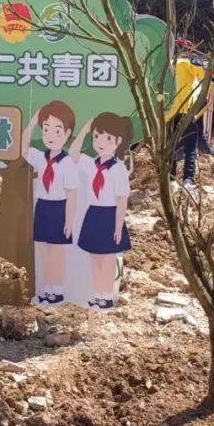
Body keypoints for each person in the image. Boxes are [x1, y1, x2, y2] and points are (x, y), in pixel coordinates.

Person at [70, 112, 133, 310]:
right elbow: (73, 153)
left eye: (107, 138)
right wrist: (85, 128)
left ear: (118, 141)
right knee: (94, 259)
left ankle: (106, 295)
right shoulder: (91, 164)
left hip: (109, 215)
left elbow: (122, 198)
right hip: (93, 214)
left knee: (107, 260)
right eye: (96, 136)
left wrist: (118, 226)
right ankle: (97, 294)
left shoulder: (118, 169)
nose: (100, 142)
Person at [22, 102, 79, 306]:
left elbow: (72, 194)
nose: (50, 135)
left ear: (67, 133)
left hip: (59, 208)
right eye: (46, 129)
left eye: (57, 130)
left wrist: (69, 221)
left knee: (57, 252)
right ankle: (46, 290)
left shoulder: (67, 163)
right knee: (44, 251)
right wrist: (33, 121)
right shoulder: (41, 157)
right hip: (43, 207)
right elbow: (23, 148)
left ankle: (57, 290)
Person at [166, 42, 214, 192]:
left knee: (170, 149)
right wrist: (213, 91)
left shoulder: (164, 66)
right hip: (185, 114)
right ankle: (188, 180)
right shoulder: (187, 62)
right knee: (190, 149)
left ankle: (171, 180)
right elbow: (205, 75)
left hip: (166, 116)